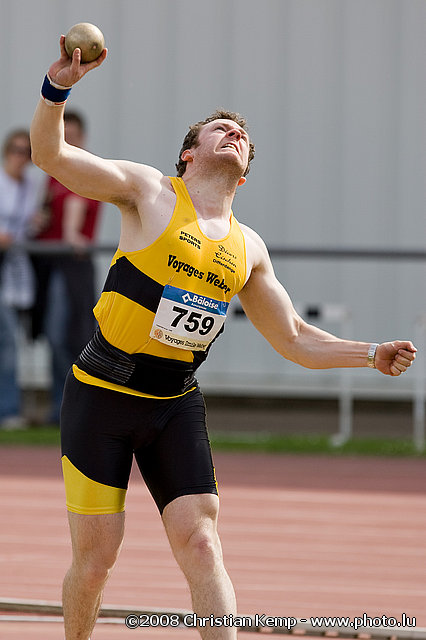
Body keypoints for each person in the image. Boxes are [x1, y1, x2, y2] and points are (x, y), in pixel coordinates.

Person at [30, 39, 417, 640]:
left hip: (173, 405)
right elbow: (50, 155)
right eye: (221, 128)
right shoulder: (148, 191)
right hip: (101, 396)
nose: (235, 133)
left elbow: (294, 338)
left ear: (247, 170)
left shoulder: (249, 248)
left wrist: (370, 354)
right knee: (97, 559)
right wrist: (57, 88)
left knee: (203, 544)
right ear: (189, 153)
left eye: (243, 136)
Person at [31, 110, 102, 424]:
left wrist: (72, 231)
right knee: (53, 334)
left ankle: (75, 406)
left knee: (70, 334)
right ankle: (61, 406)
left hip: (73, 266)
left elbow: (77, 204)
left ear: (82, 138)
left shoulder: (86, 170)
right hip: (49, 262)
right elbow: (46, 212)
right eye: (64, 136)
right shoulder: (53, 173)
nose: (68, 141)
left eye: (72, 136)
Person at [0, 129, 39, 430]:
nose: (19, 157)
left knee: (13, 341)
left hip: (17, 273)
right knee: (9, 342)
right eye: (15, 150)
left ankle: (9, 407)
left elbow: (26, 228)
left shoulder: (31, 187)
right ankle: (9, 408)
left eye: (26, 152)